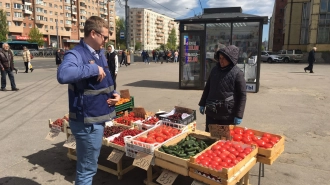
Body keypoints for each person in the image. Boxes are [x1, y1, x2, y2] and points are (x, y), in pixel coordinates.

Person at [57, 16, 120, 185]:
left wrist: (115, 93)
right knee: (87, 170)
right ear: (93, 33)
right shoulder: (76, 53)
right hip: (87, 122)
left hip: (95, 118)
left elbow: (104, 81)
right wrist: (93, 68)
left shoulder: (99, 53)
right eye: (104, 37)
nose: (106, 41)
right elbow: (63, 75)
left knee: (88, 168)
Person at [198, 45, 246, 132]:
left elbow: (242, 95)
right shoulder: (214, 70)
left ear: (231, 59)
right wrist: (202, 103)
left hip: (227, 114)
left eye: (224, 58)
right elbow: (207, 87)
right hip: (211, 111)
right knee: (210, 137)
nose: (221, 61)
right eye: (220, 58)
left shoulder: (237, 73)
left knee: (223, 140)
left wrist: (239, 115)